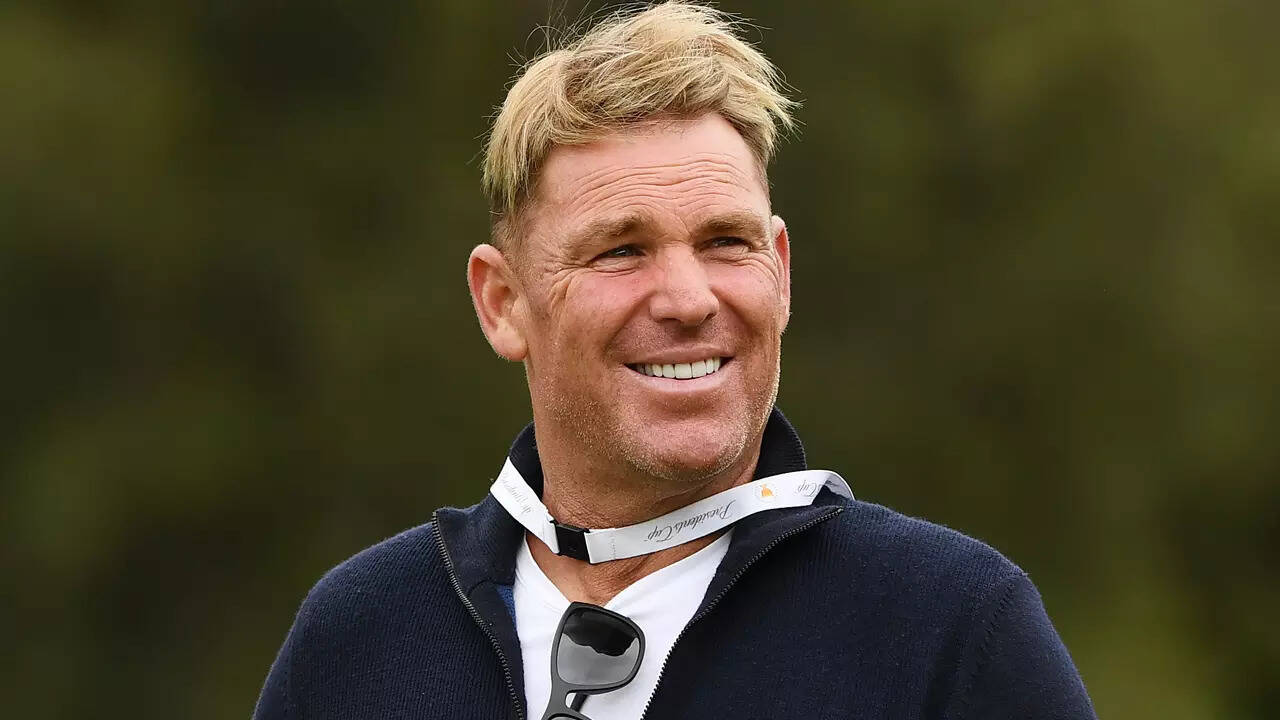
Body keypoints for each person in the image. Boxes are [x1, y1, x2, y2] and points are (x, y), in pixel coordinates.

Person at [253, 3, 1096, 718]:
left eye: (726, 241)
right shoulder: (357, 638)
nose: (689, 299)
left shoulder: (950, 630)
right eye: (621, 251)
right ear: (503, 302)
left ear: (781, 272)